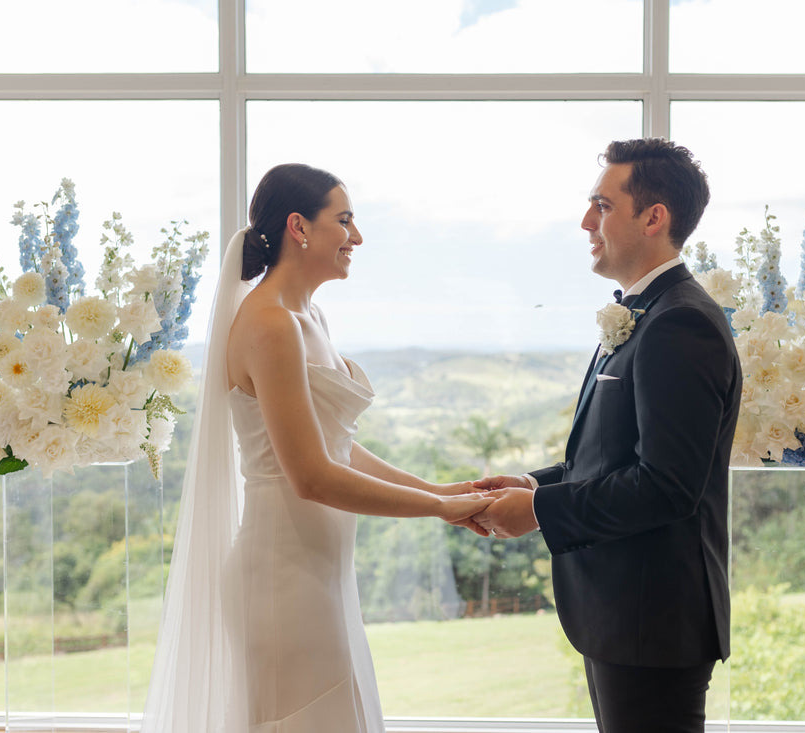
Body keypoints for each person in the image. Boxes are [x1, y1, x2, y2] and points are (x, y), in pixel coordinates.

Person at [140, 163, 493, 733]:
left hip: (321, 573)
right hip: (283, 580)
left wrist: (443, 491)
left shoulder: (311, 318)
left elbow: (338, 449)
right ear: (299, 226)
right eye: (345, 220)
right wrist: (438, 510)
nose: (356, 238)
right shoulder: (270, 325)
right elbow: (311, 477)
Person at [472, 138, 742, 733]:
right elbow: (613, 454)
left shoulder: (681, 324)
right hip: (626, 615)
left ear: (653, 217)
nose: (585, 222)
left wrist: (539, 509)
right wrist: (531, 483)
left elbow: (668, 485)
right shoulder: (647, 314)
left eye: (601, 205)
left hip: (653, 618)